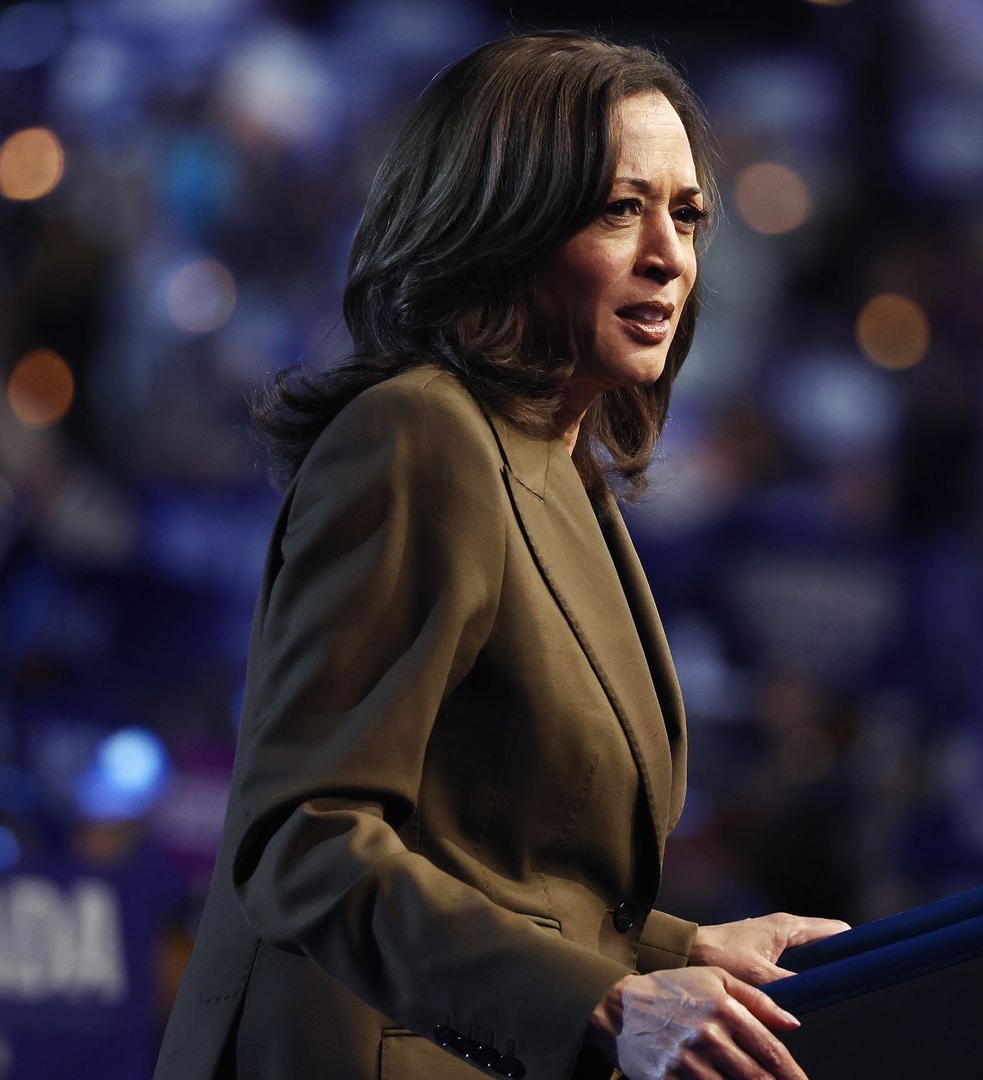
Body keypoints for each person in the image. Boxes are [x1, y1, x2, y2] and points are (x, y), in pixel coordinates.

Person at [155, 31, 849, 1080]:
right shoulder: (418, 436)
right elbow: (302, 841)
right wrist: (608, 1004)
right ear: (504, 224)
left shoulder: (559, 467)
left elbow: (500, 861)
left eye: (688, 214)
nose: (669, 254)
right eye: (622, 209)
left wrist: (687, 952)